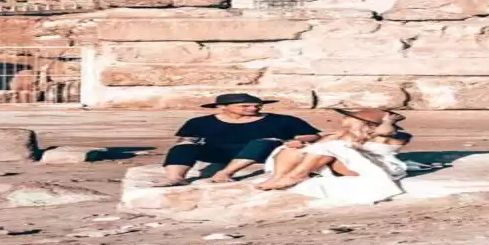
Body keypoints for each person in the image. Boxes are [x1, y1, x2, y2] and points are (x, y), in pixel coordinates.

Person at [255, 109, 413, 204]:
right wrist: (300, 144)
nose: (343, 118)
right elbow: (317, 146)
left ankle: (296, 176)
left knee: (333, 146)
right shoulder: (341, 133)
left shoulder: (391, 134)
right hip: (342, 163)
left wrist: (387, 120)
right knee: (290, 149)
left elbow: (386, 131)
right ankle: (278, 178)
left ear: (362, 121)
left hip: (374, 166)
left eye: (348, 116)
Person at [162, 93, 321, 185]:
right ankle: (175, 177)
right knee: (183, 146)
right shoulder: (199, 122)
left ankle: (225, 174)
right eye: (245, 106)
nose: (253, 108)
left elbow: (313, 135)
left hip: (263, 153)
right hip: (217, 152)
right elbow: (187, 139)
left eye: (257, 106)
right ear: (222, 107)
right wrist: (187, 143)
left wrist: (299, 140)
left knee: (265, 141)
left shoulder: (282, 120)